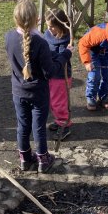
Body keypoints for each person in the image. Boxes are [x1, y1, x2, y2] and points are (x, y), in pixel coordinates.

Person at [5, 0, 71, 173]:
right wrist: (66, 54)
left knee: (23, 125)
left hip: (18, 91)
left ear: (15, 18)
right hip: (38, 93)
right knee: (38, 127)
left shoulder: (9, 37)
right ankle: (43, 160)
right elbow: (50, 71)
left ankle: (25, 160)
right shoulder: (40, 42)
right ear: (36, 19)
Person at [43, 8, 73, 141]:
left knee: (58, 102)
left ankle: (64, 125)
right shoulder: (48, 35)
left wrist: (49, 55)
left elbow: (61, 57)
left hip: (60, 76)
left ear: (60, 26)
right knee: (51, 100)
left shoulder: (65, 40)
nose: (49, 29)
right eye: (48, 26)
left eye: (52, 27)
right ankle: (59, 120)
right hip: (50, 73)